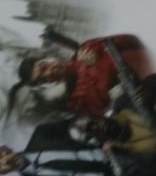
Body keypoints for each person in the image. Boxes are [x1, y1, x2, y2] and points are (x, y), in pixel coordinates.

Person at [17, 33, 148, 116]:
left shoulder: (89, 47)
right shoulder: (77, 101)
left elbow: (133, 40)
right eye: (43, 79)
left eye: (44, 67)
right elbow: (110, 110)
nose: (49, 73)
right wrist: (93, 67)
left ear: (48, 58)